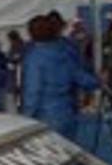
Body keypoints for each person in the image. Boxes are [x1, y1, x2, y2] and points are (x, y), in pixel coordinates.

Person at [19, 14, 100, 142]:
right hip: (67, 110)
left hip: (45, 114)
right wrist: (98, 82)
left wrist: (26, 117)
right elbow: (80, 76)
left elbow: (32, 91)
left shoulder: (33, 57)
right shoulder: (64, 50)